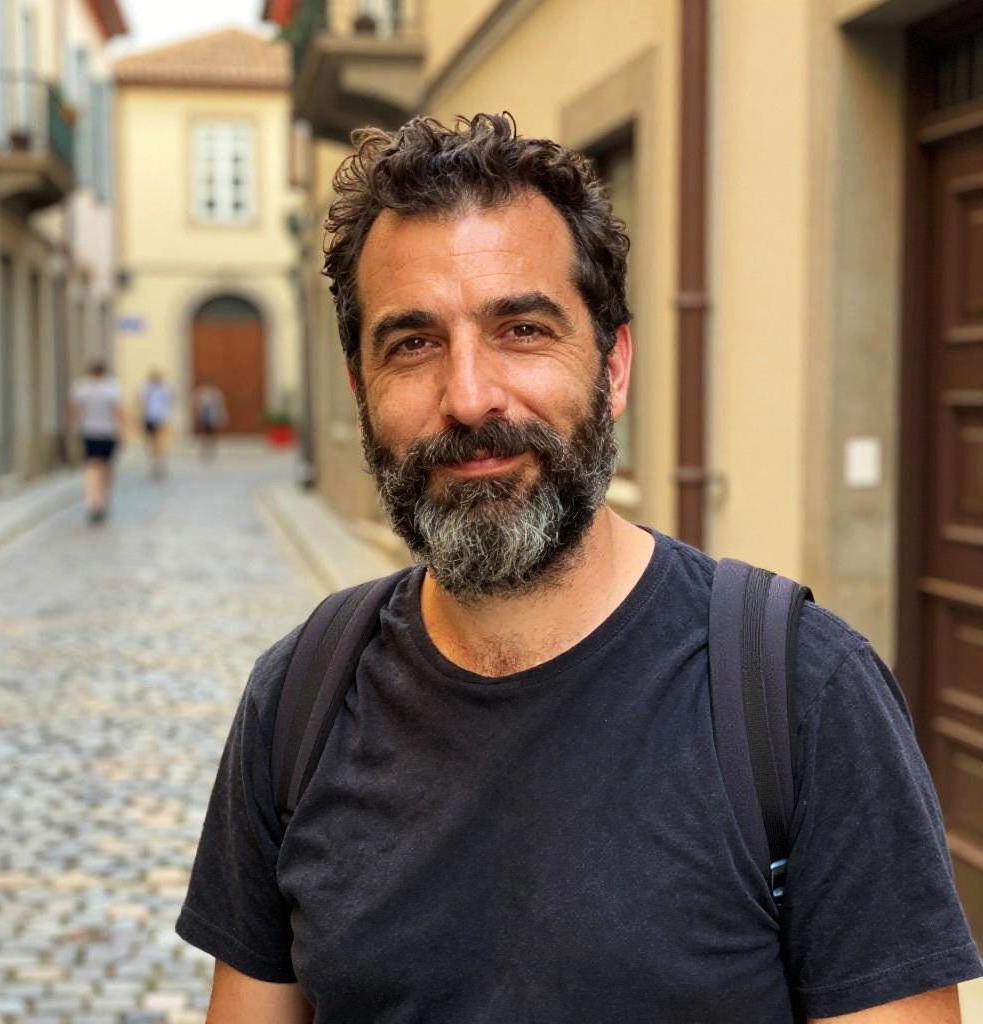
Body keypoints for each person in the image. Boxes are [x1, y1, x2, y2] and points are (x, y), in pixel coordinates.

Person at [176, 115, 982, 1023]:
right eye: (412, 343)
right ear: (362, 391)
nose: (469, 395)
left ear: (614, 365)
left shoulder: (801, 695)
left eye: (521, 328)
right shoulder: (299, 698)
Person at [68, 359, 122, 524]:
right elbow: (117, 411)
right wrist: (122, 430)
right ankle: (102, 499)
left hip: (88, 432)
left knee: (91, 467)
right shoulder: (112, 387)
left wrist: (74, 427)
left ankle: (93, 502)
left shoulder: (81, 387)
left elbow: (75, 410)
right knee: (105, 467)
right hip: (108, 432)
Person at [139, 369, 174, 478]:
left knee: (160, 440)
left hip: (161, 417)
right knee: (152, 441)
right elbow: (141, 402)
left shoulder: (165, 388)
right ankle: (156, 460)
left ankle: (160, 460)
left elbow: (170, 401)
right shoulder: (146, 388)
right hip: (149, 417)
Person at [193, 382, 227, 458]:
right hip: (205, 418)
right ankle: (205, 447)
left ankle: (212, 446)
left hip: (212, 417)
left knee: (212, 432)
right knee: (205, 432)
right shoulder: (203, 397)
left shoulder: (216, 397)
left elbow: (220, 408)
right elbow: (199, 407)